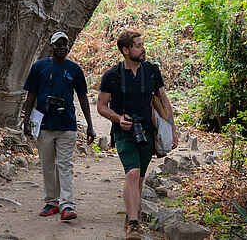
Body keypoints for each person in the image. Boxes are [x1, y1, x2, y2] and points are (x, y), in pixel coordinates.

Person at [97, 29, 178, 240]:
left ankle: (132, 213)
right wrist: (118, 119)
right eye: (138, 46)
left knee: (140, 178)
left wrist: (172, 130)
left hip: (148, 132)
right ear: (126, 50)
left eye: (142, 45)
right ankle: (133, 224)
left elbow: (164, 100)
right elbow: (101, 106)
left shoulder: (151, 70)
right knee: (132, 173)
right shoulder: (112, 76)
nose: (143, 49)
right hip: (124, 132)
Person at [21, 31, 95, 221]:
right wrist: (26, 120)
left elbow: (82, 98)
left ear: (68, 46)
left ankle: (67, 205)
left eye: (65, 44)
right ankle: (51, 202)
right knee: (47, 165)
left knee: (65, 165)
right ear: (51, 45)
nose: (62, 47)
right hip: (44, 124)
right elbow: (31, 96)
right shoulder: (39, 67)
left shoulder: (74, 70)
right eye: (58, 44)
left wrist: (89, 125)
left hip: (67, 124)